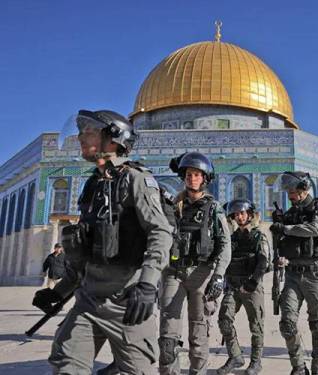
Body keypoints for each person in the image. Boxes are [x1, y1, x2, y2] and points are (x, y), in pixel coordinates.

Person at [31, 109, 173, 374]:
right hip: (89, 301)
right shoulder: (92, 186)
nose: (81, 139)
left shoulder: (136, 180)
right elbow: (85, 251)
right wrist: (59, 291)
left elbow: (160, 232)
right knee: (67, 366)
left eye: (89, 132)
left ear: (113, 138)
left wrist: (147, 284)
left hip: (128, 303)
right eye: (81, 132)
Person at [158, 152, 231, 375]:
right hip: (174, 272)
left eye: (197, 174)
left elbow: (225, 244)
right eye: (189, 174)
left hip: (202, 274)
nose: (192, 178)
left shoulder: (213, 208)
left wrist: (218, 275)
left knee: (198, 335)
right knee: (167, 338)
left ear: (204, 178)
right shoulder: (172, 206)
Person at [269, 171, 318, 375]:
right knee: (287, 324)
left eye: (292, 191)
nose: (290, 195)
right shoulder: (289, 214)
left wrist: (286, 229)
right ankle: (298, 367)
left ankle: (317, 370)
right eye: (288, 191)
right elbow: (283, 245)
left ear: (304, 189)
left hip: (315, 274)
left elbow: (314, 229)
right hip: (292, 275)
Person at [216, 199, 269, 375]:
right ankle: (235, 356)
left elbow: (263, 262)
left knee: (256, 325)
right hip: (233, 285)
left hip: (251, 286)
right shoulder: (232, 239)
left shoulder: (258, 236)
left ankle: (256, 362)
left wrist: (253, 282)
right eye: (236, 214)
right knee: (224, 318)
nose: (239, 217)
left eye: (242, 213)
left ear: (249, 215)